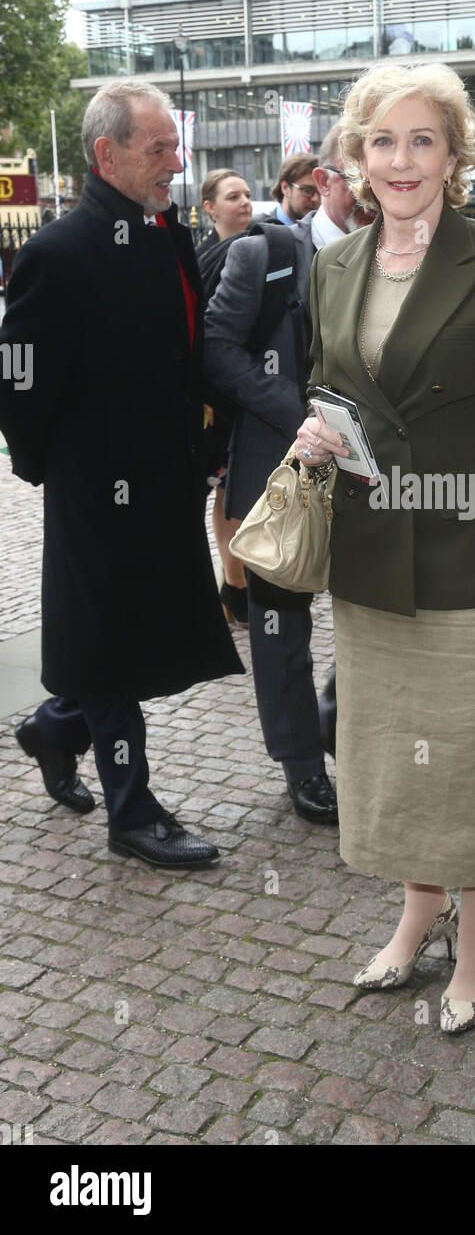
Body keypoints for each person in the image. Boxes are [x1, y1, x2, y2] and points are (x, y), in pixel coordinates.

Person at [294, 62, 475, 1035]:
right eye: (383, 141)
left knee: (472, 756)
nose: (401, 160)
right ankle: (417, 918)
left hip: (472, 557)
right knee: (398, 760)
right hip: (373, 559)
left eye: (423, 140)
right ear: (357, 157)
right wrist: (315, 433)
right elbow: (333, 389)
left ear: (455, 155)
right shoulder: (330, 264)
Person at [0, 80, 243, 866]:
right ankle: (132, 812)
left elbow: (189, 348)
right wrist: (49, 468)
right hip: (95, 487)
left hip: (166, 477)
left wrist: (208, 437)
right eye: (159, 149)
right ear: (107, 155)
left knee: (139, 635)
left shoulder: (166, 233)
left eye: (174, 146)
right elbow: (20, 379)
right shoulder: (54, 253)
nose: (176, 161)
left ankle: (55, 726)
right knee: (108, 644)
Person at [203, 124, 366, 825]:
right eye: (358, 168)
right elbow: (216, 346)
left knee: (380, 610)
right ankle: (301, 764)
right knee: (280, 625)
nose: (374, 183)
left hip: (373, 477)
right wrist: (301, 412)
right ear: (326, 176)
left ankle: (331, 712)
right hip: (280, 468)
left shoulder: (406, 257)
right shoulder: (265, 254)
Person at [197, 168, 255, 628]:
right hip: (216, 396)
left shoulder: (264, 245)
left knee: (248, 490)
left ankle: (242, 581)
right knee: (227, 489)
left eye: (248, 195)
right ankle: (234, 583)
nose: (244, 202)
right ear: (210, 207)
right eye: (233, 196)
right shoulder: (199, 256)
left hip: (253, 387)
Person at [266, 154, 320, 225]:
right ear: (285, 188)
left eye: (320, 193)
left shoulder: (324, 231)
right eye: (307, 191)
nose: (316, 199)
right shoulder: (252, 229)